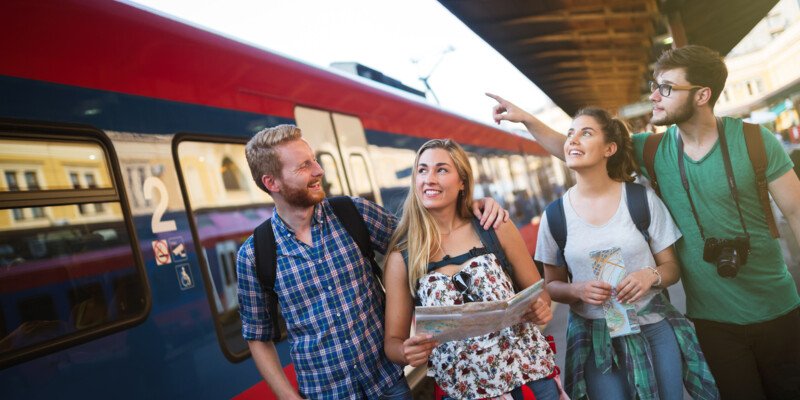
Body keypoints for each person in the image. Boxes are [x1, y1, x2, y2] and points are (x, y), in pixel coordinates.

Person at [488, 44, 800, 399]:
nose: (654, 94)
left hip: (780, 308)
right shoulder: (653, 150)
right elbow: (576, 148)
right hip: (713, 321)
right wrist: (528, 120)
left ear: (702, 94)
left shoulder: (754, 141)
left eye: (666, 87)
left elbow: (796, 212)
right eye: (655, 84)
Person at [236, 125, 509, 399]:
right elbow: (258, 337)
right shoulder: (255, 255)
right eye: (304, 166)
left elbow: (427, 239)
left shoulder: (353, 213)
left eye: (315, 160)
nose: (319, 170)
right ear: (272, 183)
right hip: (323, 393)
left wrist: (472, 207)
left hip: (387, 385)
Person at [533, 108, 718, 399]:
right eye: (570, 134)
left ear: (610, 148)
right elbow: (552, 285)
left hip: (654, 328)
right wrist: (578, 289)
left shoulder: (640, 199)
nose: (572, 140)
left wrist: (651, 275)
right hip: (596, 340)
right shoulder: (555, 216)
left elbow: (671, 267)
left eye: (586, 133)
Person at [382, 139, 561, 400]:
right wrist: (406, 353)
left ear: (462, 181)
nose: (429, 178)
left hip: (530, 380)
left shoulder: (493, 226)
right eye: (422, 170)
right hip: (462, 391)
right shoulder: (403, 256)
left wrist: (539, 308)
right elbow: (393, 343)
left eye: (441, 170)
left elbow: (540, 294)